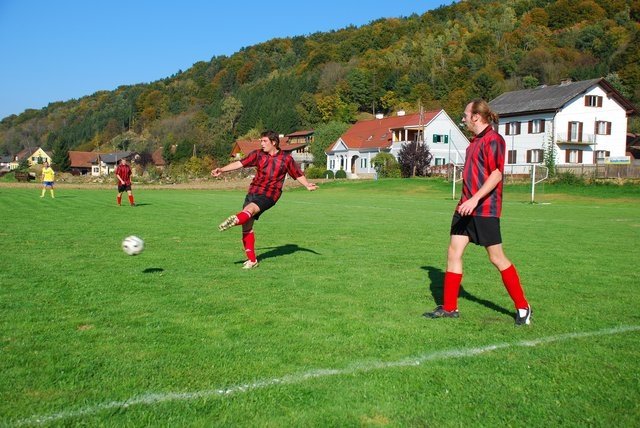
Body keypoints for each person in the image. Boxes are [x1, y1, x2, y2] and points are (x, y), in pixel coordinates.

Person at [424, 99, 531, 325]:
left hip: (485, 210)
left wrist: (474, 200)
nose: (463, 119)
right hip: (465, 208)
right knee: (453, 252)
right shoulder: (472, 143)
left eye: (465, 115)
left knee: (496, 257)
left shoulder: (494, 140)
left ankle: (523, 307)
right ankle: (450, 308)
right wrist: (467, 201)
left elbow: (496, 174)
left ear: (476, 116)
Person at [212, 130, 318, 269]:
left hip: (270, 194)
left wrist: (307, 185)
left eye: (264, 141)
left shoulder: (286, 159)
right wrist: (222, 170)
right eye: (261, 141)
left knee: (250, 210)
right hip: (253, 191)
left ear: (274, 142)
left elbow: (297, 174)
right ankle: (252, 260)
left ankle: (235, 220)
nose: (261, 144)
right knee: (247, 225)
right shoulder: (258, 154)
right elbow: (240, 163)